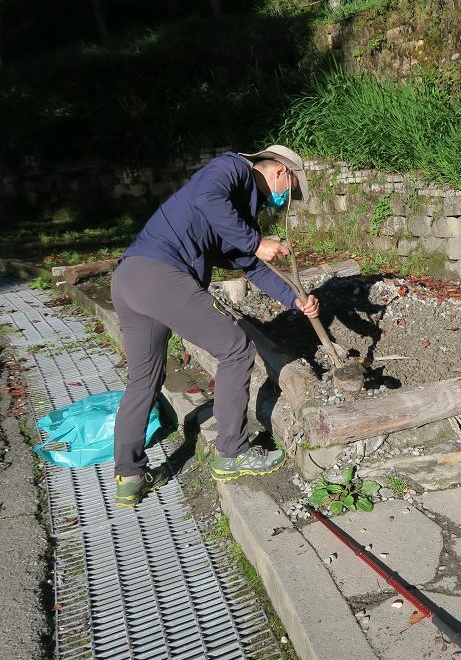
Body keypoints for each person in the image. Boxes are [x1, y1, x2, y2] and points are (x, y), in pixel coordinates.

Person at [110, 145, 319, 507]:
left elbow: (251, 265)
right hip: (160, 274)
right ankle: (232, 453)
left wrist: (293, 300)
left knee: (144, 380)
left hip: (131, 278)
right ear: (280, 173)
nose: (286, 200)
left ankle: (129, 475)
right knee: (236, 349)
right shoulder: (231, 169)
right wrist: (257, 242)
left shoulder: (237, 212)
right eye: (292, 190)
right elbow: (210, 199)